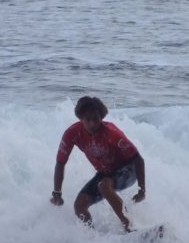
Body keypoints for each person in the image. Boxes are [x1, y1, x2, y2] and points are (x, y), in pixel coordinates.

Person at [50, 96, 146, 232]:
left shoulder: (111, 133)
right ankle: (93, 238)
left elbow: (138, 159)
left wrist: (142, 190)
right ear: (80, 118)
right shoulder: (72, 133)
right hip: (106, 174)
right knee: (79, 206)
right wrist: (57, 193)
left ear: (101, 118)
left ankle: (130, 228)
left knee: (104, 185)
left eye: (96, 119)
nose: (92, 124)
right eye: (87, 120)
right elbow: (60, 163)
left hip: (128, 169)